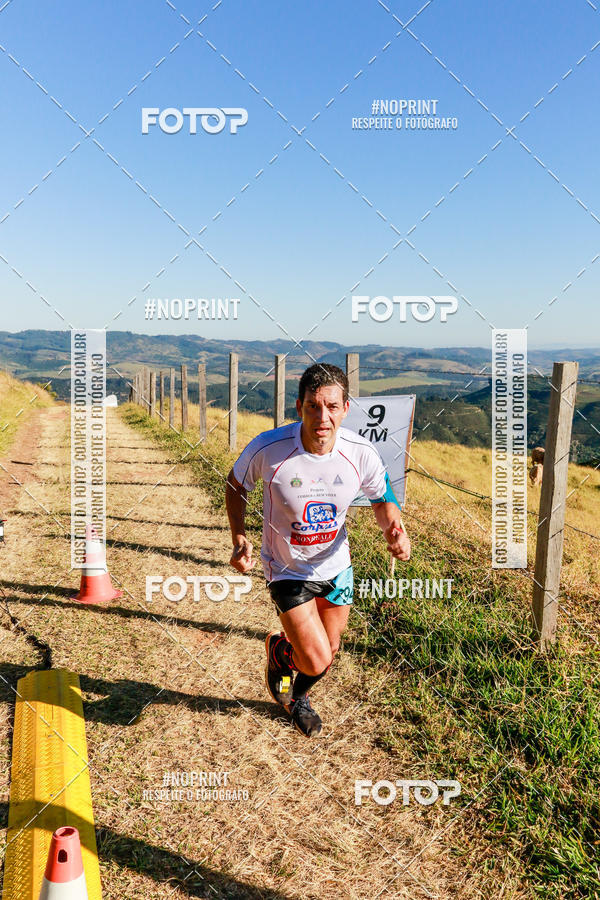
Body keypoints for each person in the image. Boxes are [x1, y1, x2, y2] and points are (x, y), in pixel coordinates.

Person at [225, 363, 410, 737]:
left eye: (331, 406)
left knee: (329, 652)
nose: (322, 417)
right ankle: (290, 686)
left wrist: (394, 528)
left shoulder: (360, 452)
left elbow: (382, 498)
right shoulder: (270, 448)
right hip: (287, 569)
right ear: (299, 407)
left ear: (345, 408)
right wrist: (239, 537)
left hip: (336, 566)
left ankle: (287, 667)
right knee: (317, 658)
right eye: (313, 406)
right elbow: (235, 485)